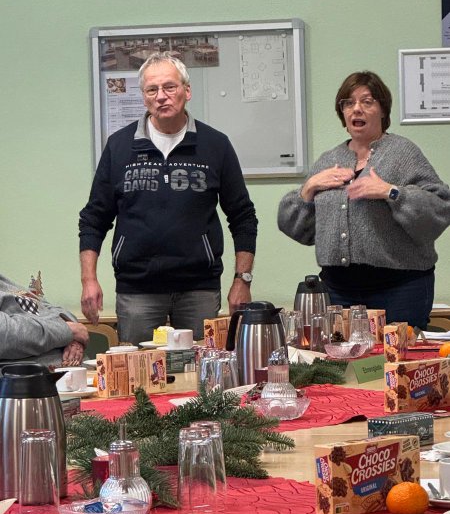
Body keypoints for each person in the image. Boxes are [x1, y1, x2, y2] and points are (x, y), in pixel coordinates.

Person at [79, 52, 258, 344]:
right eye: (152, 89)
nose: (161, 96)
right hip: (137, 290)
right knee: (137, 369)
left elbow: (243, 217)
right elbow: (93, 219)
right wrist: (89, 280)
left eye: (169, 87)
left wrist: (243, 280)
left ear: (187, 91)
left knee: (201, 367)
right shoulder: (120, 146)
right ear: (144, 97)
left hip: (199, 289)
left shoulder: (215, 145)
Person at [278, 71, 450, 328]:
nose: (356, 109)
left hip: (400, 290)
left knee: (395, 354)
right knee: (339, 355)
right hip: (337, 292)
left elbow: (441, 208)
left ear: (383, 110)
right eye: (348, 103)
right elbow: (294, 226)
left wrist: (392, 192)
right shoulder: (328, 160)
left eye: (367, 101)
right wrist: (309, 188)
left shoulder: (403, 154)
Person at [0, 273, 89, 367]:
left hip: (78, 370)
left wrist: (73, 339)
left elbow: (50, 309)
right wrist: (69, 331)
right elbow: (5, 334)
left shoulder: (5, 283)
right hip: (40, 373)